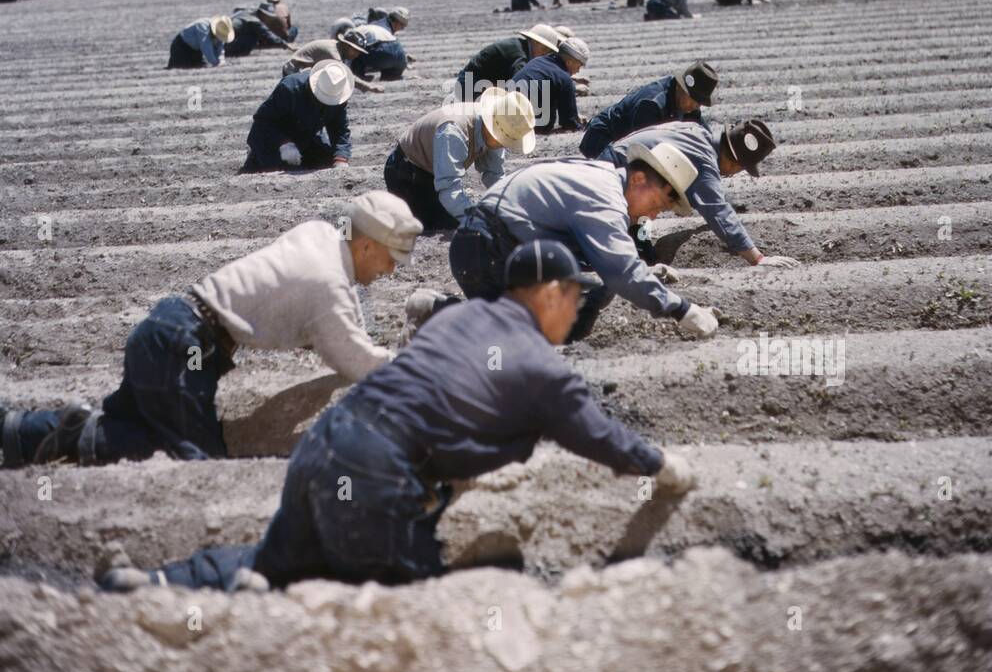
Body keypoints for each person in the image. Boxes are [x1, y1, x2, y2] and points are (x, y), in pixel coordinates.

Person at [100, 241, 695, 595]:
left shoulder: (460, 321)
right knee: (406, 599)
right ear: (549, 294)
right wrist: (662, 465)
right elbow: (596, 435)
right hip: (376, 471)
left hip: (328, 445)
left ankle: (156, 585)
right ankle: (264, 618)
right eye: (574, 294)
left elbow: (444, 397)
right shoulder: (544, 366)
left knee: (276, 560)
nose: (579, 306)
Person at [0, 194, 422, 470]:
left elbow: (337, 310)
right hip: (184, 347)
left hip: (167, 328)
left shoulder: (318, 235)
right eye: (389, 260)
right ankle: (67, 431)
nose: (389, 271)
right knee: (202, 464)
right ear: (366, 246)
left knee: (135, 432)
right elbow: (353, 357)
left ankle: (18, 431)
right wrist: (413, 369)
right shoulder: (327, 285)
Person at [449, 141, 719, 342]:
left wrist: (643, 273)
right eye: (657, 205)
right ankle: (440, 316)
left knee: (585, 293)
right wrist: (682, 310)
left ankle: (448, 314)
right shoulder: (605, 198)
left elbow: (604, 259)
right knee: (518, 343)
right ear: (638, 179)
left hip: (487, 244)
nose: (652, 215)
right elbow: (621, 273)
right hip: (486, 250)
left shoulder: (601, 174)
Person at [597, 120, 798, 268]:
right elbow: (718, 212)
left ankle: (640, 252)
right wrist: (758, 258)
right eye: (739, 170)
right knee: (609, 241)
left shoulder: (699, 133)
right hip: (617, 174)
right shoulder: (704, 161)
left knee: (642, 236)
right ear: (734, 163)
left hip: (616, 164)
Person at [384, 88, 537, 231]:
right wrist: (477, 219)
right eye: (504, 140)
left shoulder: (497, 125)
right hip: (407, 173)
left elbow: (494, 174)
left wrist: (511, 204)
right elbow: (449, 188)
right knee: (445, 224)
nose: (505, 145)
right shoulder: (454, 132)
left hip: (434, 172)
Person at [579, 60, 717, 159]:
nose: (696, 107)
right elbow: (643, 148)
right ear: (682, 89)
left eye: (699, 103)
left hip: (627, 143)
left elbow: (703, 134)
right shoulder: (652, 103)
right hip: (602, 140)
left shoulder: (687, 103)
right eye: (695, 101)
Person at [240, 60, 353, 173]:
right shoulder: (289, 89)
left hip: (306, 136)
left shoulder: (338, 96)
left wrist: (341, 158)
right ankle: (254, 159)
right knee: (274, 170)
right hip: (276, 138)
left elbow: (340, 130)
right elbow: (262, 123)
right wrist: (283, 142)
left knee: (326, 163)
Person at [452, 24, 559, 102]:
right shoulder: (520, 56)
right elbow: (521, 84)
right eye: (546, 50)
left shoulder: (520, 47)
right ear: (538, 44)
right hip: (469, 87)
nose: (546, 55)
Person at [511, 35, 588, 134]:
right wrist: (580, 125)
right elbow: (569, 123)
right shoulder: (564, 79)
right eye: (579, 66)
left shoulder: (538, 61)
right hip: (522, 124)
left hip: (505, 110)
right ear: (569, 62)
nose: (578, 71)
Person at [281, 28, 383, 93]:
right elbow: (345, 75)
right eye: (355, 50)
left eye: (359, 52)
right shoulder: (333, 53)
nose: (357, 54)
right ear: (346, 45)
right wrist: (369, 86)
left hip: (301, 72)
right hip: (293, 71)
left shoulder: (337, 47)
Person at [353, 7, 410, 79]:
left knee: (356, 53)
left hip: (382, 54)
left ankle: (359, 77)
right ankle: (390, 76)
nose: (402, 28)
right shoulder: (384, 28)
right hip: (400, 56)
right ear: (396, 22)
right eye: (402, 25)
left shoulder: (366, 27)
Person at [166, 14, 235, 68]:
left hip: (196, 50)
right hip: (181, 47)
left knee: (198, 66)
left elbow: (220, 48)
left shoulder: (220, 30)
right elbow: (206, 47)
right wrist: (216, 63)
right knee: (178, 67)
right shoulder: (202, 26)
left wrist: (221, 61)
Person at [226, 7, 295, 57]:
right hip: (229, 44)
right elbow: (268, 35)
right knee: (254, 36)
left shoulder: (243, 12)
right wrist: (286, 45)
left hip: (225, 42)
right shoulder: (254, 21)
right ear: (262, 13)